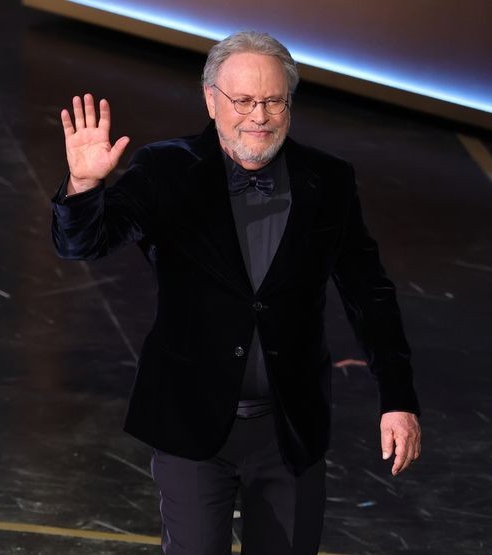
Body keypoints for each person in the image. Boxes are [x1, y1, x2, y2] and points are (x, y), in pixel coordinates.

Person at [51, 30, 421, 555]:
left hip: (288, 429)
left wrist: (398, 399)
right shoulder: (166, 169)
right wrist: (84, 186)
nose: (259, 117)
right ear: (211, 100)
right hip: (192, 423)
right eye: (243, 101)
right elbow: (82, 244)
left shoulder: (328, 180)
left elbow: (370, 295)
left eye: (273, 101)